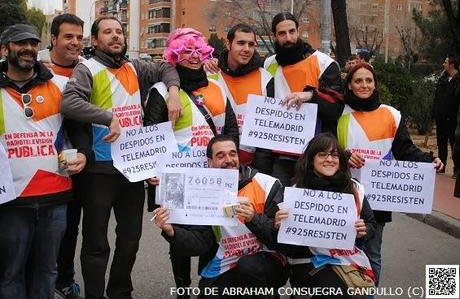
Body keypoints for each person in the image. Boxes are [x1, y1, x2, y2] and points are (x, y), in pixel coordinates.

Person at [60, 16, 181, 299]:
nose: (116, 36)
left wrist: (173, 91)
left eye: (119, 32)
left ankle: (120, 292)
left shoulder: (135, 67)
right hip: (98, 171)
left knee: (130, 242)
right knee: (96, 243)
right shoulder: (86, 68)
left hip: (133, 170)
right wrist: (107, 117)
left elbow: (167, 68)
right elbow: (69, 102)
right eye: (108, 32)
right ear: (95, 40)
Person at [144, 28, 239, 298]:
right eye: (187, 51)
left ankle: (208, 286)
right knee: (179, 238)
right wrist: (152, 171)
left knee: (212, 233)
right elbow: (151, 134)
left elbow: (231, 130)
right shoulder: (161, 92)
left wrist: (228, 163)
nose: (194, 57)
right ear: (174, 55)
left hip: (212, 178)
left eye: (199, 51)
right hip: (176, 180)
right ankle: (182, 288)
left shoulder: (218, 87)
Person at [0, 23, 86, 299]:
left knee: (47, 269)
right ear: (5, 49)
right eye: (20, 43)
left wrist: (83, 153)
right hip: (11, 198)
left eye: (33, 43)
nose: (28, 49)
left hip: (55, 195)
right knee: (10, 272)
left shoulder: (60, 85)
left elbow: (78, 129)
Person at [337, 63, 443, 284]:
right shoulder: (338, 112)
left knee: (373, 253)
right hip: (343, 192)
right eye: (358, 81)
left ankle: (369, 296)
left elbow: (404, 149)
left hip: (378, 195)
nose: (364, 85)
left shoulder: (391, 114)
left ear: (375, 84)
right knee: (342, 253)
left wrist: (429, 159)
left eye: (368, 80)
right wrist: (344, 155)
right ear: (349, 84)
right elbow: (323, 146)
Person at [153, 135, 289, 298]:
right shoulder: (202, 190)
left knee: (248, 266)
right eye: (220, 155)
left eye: (232, 154)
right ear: (209, 162)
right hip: (226, 260)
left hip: (266, 259)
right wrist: (171, 231)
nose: (228, 159)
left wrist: (254, 218)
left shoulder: (267, 184)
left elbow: (278, 239)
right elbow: (200, 244)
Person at [274, 133, 376, 298]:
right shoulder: (296, 191)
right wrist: (279, 225)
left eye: (334, 155)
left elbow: (371, 223)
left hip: (347, 260)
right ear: (311, 160)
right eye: (322, 154)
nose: (329, 159)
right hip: (308, 262)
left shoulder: (355, 189)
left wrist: (365, 230)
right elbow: (287, 245)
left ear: (340, 160)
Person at [38, 13, 87, 299]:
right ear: (53, 39)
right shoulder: (38, 70)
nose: (75, 42)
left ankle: (65, 280)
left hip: (79, 163)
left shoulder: (88, 69)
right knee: (40, 230)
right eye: (68, 36)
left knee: (70, 227)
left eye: (79, 37)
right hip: (42, 165)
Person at [263, 12, 342, 186]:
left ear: (298, 31)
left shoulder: (323, 63)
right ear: (274, 36)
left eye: (292, 31)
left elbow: (336, 108)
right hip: (280, 152)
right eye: (282, 34)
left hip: (315, 156)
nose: (288, 38)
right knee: (280, 204)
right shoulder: (268, 64)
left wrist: (311, 96)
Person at [204, 23, 274, 166]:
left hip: (252, 166)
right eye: (241, 43)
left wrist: (259, 169)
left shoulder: (265, 78)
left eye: (251, 44)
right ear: (229, 44)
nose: (246, 49)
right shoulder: (210, 74)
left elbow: (268, 132)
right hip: (216, 164)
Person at [432, 55, 460, 175]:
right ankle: (441, 166)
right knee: (441, 143)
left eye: (445, 62)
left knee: (454, 143)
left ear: (452, 65)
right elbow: (437, 97)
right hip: (441, 118)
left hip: (453, 119)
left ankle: (457, 169)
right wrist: (434, 112)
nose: (444, 64)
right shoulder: (442, 79)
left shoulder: (458, 80)